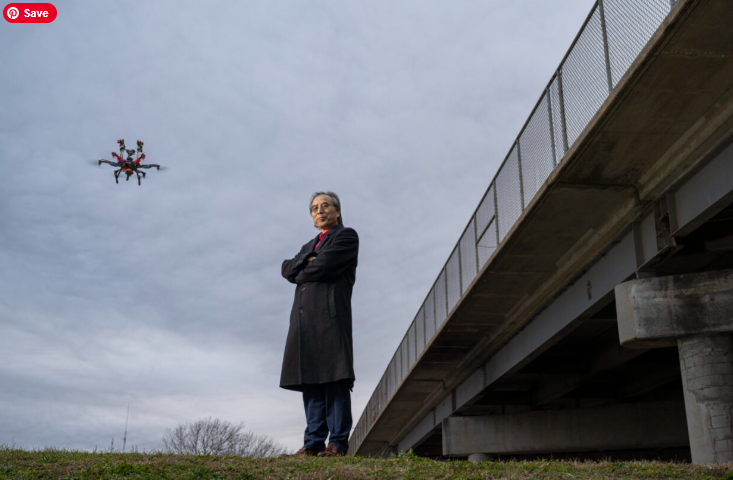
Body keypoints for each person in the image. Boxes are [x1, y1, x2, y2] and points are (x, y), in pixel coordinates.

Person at [280, 191, 359, 457]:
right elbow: (286, 269)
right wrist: (306, 260)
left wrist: (306, 266)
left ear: (337, 211)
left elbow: (324, 266)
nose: (319, 211)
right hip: (304, 323)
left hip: (330, 318)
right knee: (311, 381)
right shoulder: (309, 245)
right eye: (314, 208)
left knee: (335, 380)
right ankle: (313, 443)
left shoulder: (346, 236)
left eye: (325, 206)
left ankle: (336, 443)